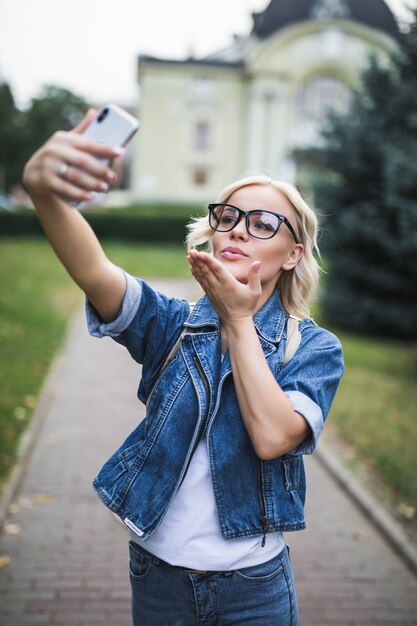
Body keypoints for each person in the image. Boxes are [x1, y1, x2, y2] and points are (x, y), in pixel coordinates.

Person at [23, 108, 344, 626]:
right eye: (227, 217)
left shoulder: (313, 349)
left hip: (254, 588)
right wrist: (45, 194)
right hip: (159, 580)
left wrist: (239, 322)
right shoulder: (173, 325)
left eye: (263, 224)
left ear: (292, 254)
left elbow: (273, 437)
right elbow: (95, 271)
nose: (239, 229)